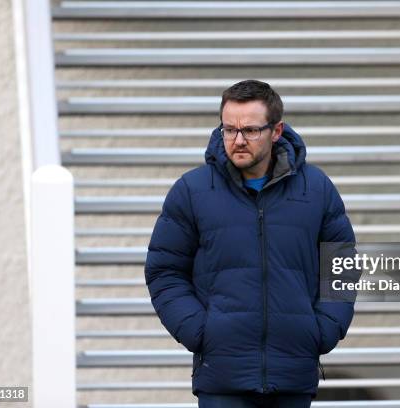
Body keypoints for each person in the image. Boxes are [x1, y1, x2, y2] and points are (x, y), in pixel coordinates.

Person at [145, 79, 356, 408]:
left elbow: (341, 264)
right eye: (229, 130)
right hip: (222, 378)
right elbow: (164, 271)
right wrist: (200, 332)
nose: (238, 140)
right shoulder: (192, 191)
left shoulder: (316, 189)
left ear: (276, 131)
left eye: (251, 130)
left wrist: (322, 330)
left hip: (293, 375)